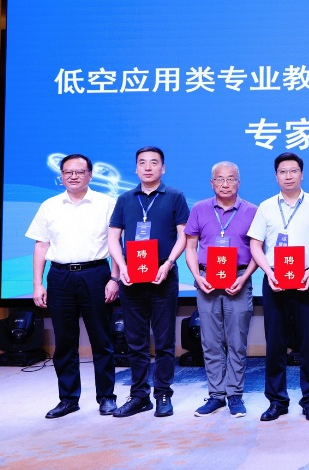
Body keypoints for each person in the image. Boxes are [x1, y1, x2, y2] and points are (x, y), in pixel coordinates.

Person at [26, 153, 119, 419]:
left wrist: (114, 279)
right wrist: (37, 284)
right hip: (60, 277)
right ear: (61, 176)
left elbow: (116, 244)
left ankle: (106, 397)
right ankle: (68, 399)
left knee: (102, 340)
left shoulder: (106, 203)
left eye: (79, 172)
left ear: (90, 174)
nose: (73, 176)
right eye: (68, 172)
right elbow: (41, 246)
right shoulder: (49, 206)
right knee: (65, 342)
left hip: (96, 274)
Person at [248, 152, 309, 422]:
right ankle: (277, 401)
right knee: (275, 343)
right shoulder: (266, 207)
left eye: (293, 171)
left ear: (302, 174)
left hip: (308, 279)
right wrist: (268, 271)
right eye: (283, 172)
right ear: (276, 176)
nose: (288, 176)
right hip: (275, 280)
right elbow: (255, 245)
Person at [108, 146, 189, 418]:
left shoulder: (175, 196)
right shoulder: (125, 199)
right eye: (142, 163)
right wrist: (122, 268)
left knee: (164, 340)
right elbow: (113, 237)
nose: (148, 167)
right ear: (135, 169)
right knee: (135, 341)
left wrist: (168, 264)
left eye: (154, 163)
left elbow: (183, 236)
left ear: (163, 168)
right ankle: (139, 395)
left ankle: (163, 393)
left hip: (162, 275)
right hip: (131, 277)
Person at [184, 161, 258, 418]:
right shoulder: (200, 208)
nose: (225, 184)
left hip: (238, 278)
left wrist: (245, 277)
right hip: (207, 280)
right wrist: (197, 276)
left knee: (237, 341)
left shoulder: (253, 211)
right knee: (210, 341)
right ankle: (216, 395)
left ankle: (235, 394)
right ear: (212, 182)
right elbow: (190, 247)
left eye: (231, 179)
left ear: (239, 182)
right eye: (220, 179)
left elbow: (258, 251)